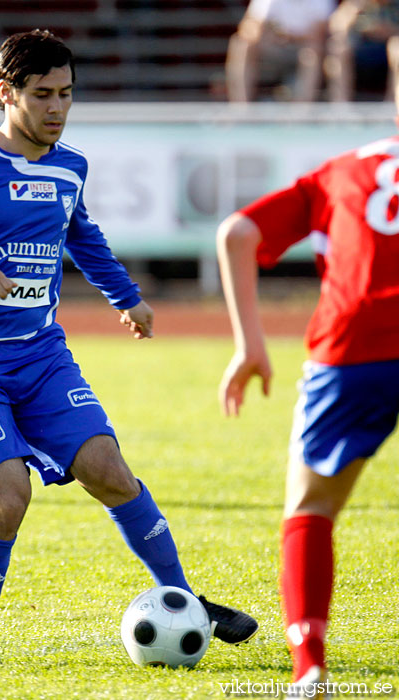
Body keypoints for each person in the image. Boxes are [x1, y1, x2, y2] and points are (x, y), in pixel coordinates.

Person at [0, 29, 258, 667]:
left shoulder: (70, 165)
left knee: (109, 471)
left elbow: (81, 236)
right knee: (7, 495)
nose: (56, 108)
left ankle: (184, 598)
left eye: (66, 95)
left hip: (42, 356)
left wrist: (126, 297)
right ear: (6, 94)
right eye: (42, 95)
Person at [216, 91, 399, 690]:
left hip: (354, 346)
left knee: (312, 509)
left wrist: (249, 345)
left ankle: (309, 665)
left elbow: (238, 232)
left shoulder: (340, 171)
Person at [225, 0, 335, 102]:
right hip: (274, 48)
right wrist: (262, 31)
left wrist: (288, 36)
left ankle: (302, 110)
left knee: (312, 51)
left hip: (305, 50)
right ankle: (241, 107)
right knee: (242, 45)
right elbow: (248, 26)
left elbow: (320, 33)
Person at [325, 0, 399, 102]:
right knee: (339, 48)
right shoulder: (356, 3)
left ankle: (393, 105)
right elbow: (335, 26)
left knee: (396, 47)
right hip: (361, 50)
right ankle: (340, 105)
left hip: (387, 51)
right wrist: (351, 12)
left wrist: (388, 31)